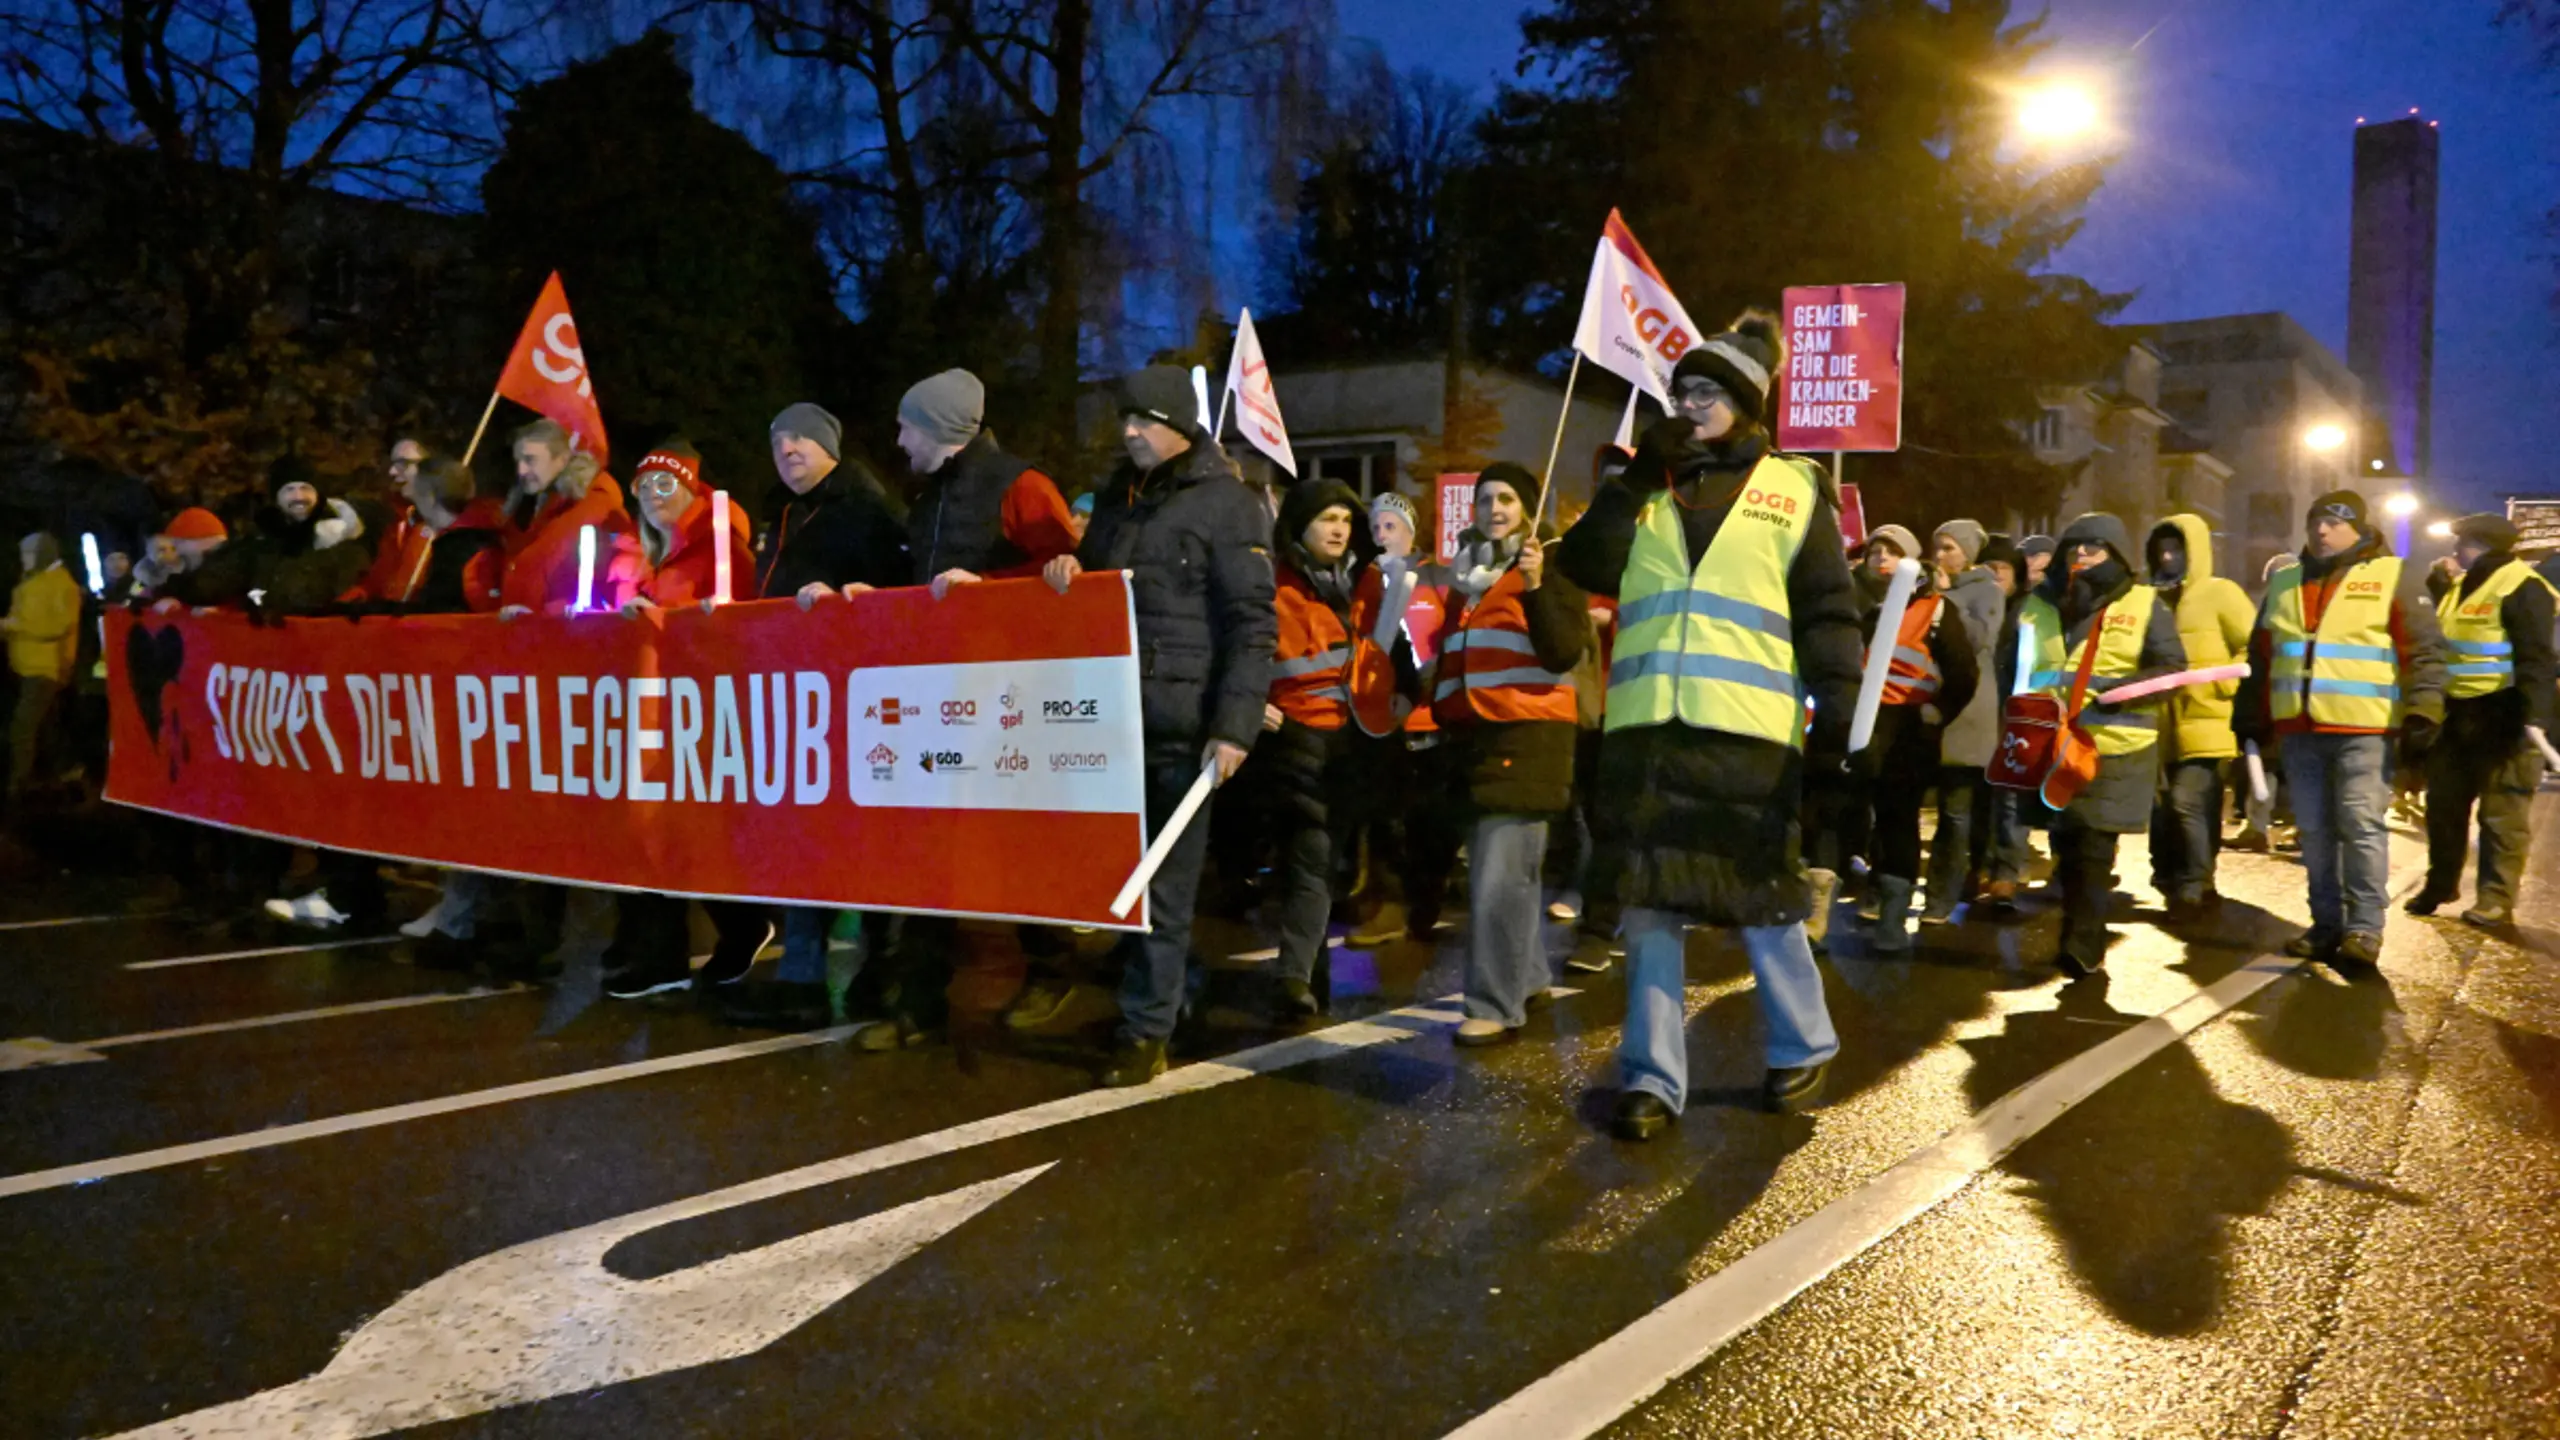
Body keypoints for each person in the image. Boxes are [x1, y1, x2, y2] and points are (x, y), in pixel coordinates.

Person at [1554, 313, 1863, 1138]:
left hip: (1748, 733)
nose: (1690, 406)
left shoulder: (1795, 488)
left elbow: (1828, 607)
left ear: (1744, 404)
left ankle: (1803, 1040)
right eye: (1682, 391)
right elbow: (1582, 565)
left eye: (1707, 393)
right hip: (1649, 729)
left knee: (1762, 898)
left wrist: (1839, 704)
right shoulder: (1647, 484)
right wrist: (1633, 480)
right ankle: (1653, 1078)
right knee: (1650, 906)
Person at [1043, 365, 1276, 1086]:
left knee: (1165, 888)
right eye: (1125, 420)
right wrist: (1066, 570)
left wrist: (1233, 727)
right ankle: (1168, 994)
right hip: (1109, 721)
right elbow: (1097, 585)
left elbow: (1251, 623)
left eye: (1144, 420)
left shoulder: (1229, 506)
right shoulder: (1120, 497)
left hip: (1182, 726)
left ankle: (1146, 1031)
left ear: (1179, 424)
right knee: (1121, 880)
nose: (1130, 432)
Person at [715, 402, 914, 1029]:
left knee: (859, 845)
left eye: (801, 437)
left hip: (851, 705)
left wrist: (847, 607)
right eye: (777, 439)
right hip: (792, 699)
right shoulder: (785, 513)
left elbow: (892, 600)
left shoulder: (864, 510)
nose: (788, 447)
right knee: (799, 841)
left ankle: (874, 975)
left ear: (830, 444)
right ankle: (801, 977)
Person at [2235, 491, 2447, 967]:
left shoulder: (2392, 574)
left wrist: (2423, 712)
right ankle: (2326, 925)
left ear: (2359, 528)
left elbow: (2425, 650)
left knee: (2360, 826)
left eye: (2334, 523)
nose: (2322, 531)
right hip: (2300, 730)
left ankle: (2365, 931)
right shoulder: (2286, 580)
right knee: (2313, 831)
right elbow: (2261, 654)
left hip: (2365, 730)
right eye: (2316, 522)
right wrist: (2251, 715)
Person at [1421, 462, 1586, 1046]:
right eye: (1485, 499)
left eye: (1508, 499)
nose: (1494, 509)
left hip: (1528, 740)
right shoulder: (1470, 579)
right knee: (1509, 872)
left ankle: (1493, 1004)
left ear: (1530, 510)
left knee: (1498, 878)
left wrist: (1538, 587)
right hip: (1477, 741)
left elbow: (1564, 651)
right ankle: (1530, 978)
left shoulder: (1552, 571)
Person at [595, 443, 760, 1000]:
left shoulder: (720, 548)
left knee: (676, 829)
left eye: (663, 486)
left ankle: (671, 954)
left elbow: (731, 626)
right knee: (663, 830)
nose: (650, 497)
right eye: (642, 488)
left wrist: (664, 624)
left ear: (690, 488)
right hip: (655, 712)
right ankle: (720, 931)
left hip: (701, 713)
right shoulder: (649, 555)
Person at [2002, 513, 2184, 977]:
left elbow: (2171, 668)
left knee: (2093, 844)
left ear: (2118, 554)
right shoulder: (2038, 605)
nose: (2081, 555)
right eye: (2074, 546)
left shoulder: (2145, 603)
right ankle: (2081, 930)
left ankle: (2082, 944)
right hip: (2048, 744)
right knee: (2066, 840)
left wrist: (2121, 694)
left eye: (2095, 547)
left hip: (2113, 744)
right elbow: (2013, 667)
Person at [1247, 476, 1387, 1019]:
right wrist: (1250, 702)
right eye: (1327, 518)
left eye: (1347, 519)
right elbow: (1246, 651)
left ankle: (1304, 974)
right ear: (1299, 526)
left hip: (1350, 747)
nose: (1338, 528)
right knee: (1312, 858)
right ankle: (1295, 977)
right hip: (1291, 742)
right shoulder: (1272, 587)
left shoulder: (1360, 588)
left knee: (1318, 863)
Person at [2410, 512, 2555, 927]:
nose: (2456, 550)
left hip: (2504, 716)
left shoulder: (2524, 587)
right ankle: (2441, 884)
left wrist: (2536, 719)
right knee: (2443, 807)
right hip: (2457, 715)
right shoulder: (2461, 587)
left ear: (2485, 546)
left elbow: (2537, 659)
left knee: (2502, 815)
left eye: (2465, 543)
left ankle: (2495, 898)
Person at [1853, 524, 1979, 952]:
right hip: (1862, 726)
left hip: (1908, 730)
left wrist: (1937, 711)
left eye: (1891, 552)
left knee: (1897, 817)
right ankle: (1863, 891)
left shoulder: (1937, 611)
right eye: (1874, 552)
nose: (1880, 559)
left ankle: (1893, 907)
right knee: (1853, 813)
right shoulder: (1867, 610)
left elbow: (1964, 674)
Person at [1346, 490, 1462, 947]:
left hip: (1432, 716)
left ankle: (1425, 902)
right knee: (1386, 818)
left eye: (1390, 525)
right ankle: (1389, 903)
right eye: (1375, 527)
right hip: (1385, 719)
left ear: (1410, 530)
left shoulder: (1437, 574)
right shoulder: (1368, 578)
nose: (1381, 534)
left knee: (1430, 823)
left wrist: (1428, 686)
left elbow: (1450, 637)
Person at [2144, 514, 2253, 916]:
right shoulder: (2146, 598)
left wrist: (2224, 685)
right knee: (2164, 806)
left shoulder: (2220, 594)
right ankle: (2171, 874)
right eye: (2162, 550)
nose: (2168, 557)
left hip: (2207, 716)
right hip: (2157, 721)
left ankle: (2197, 879)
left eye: (2177, 549)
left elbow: (2252, 646)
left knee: (2187, 801)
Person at [896, 368, 1080, 594]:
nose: (900, 441)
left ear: (936, 428)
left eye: (906, 428)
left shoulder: (1021, 485)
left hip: (1001, 628)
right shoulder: (929, 495)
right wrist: (873, 597)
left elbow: (1068, 571)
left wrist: (986, 585)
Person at [1925, 518, 2000, 924]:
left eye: (1949, 548)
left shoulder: (1986, 590)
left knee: (1956, 812)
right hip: (1929, 705)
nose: (1940, 556)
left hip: (1968, 710)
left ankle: (1942, 896)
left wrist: (1945, 597)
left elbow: (1976, 639)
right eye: (1937, 547)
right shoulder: (1938, 588)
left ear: (1969, 553)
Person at [496, 419, 630, 618]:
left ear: (562, 459)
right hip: (530, 637)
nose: (521, 470)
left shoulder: (594, 506)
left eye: (530, 460)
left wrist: (548, 614)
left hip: (568, 639)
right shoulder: (536, 507)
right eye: (518, 461)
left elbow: (609, 582)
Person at [4, 533, 81, 807]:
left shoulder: (63, 585)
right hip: (28, 667)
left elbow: (57, 627)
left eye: (28, 554)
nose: (23, 560)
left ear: (43, 554)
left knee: (22, 727)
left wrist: (12, 626)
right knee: (47, 726)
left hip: (46, 670)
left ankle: (18, 786)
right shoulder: (33, 580)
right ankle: (66, 772)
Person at [355, 437, 432, 601]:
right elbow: (374, 583)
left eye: (404, 463)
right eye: (393, 464)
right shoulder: (398, 525)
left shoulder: (451, 523)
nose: (393, 472)